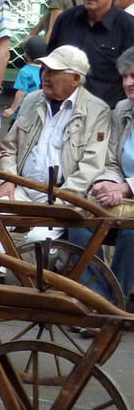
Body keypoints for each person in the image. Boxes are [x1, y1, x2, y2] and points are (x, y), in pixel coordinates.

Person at [0, 46, 111, 267]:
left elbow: (91, 167)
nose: (45, 76)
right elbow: (9, 147)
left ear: (75, 78)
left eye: (54, 71)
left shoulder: (96, 110)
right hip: (21, 187)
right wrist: (8, 179)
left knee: (37, 240)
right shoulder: (33, 100)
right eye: (44, 69)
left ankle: (31, 293)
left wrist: (62, 201)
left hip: (62, 196)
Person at [67, 46, 134, 303]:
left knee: (131, 233)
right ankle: (96, 298)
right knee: (80, 221)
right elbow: (112, 160)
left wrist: (126, 188)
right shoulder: (123, 109)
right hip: (123, 199)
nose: (128, 83)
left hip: (128, 199)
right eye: (124, 77)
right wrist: (106, 182)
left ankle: (112, 304)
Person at [47, 0, 134, 108]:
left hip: (105, 118)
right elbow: (49, 64)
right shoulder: (66, 20)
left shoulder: (128, 27)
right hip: (61, 110)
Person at [3, 36, 47, 119]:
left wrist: (12, 109)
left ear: (26, 55)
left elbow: (21, 92)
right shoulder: (46, 70)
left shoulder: (25, 71)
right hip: (40, 110)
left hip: (24, 111)